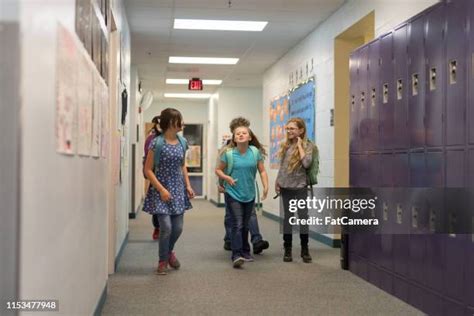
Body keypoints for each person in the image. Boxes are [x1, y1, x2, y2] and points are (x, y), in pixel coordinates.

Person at [143, 108, 195, 275]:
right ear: (171, 123)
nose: (182, 123)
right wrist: (161, 189)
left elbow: (182, 165)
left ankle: (169, 251)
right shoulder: (156, 143)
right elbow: (148, 170)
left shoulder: (182, 142)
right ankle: (162, 261)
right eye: (179, 120)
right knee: (166, 227)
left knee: (178, 228)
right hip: (161, 190)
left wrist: (188, 185)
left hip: (178, 189)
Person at [216, 125, 269, 268]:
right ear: (233, 138)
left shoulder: (255, 152)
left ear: (250, 137)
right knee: (237, 224)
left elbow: (262, 171)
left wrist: (266, 186)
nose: (240, 135)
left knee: (245, 225)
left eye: (244, 133)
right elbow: (218, 170)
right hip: (233, 193)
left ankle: (246, 251)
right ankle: (236, 254)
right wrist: (226, 178)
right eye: (237, 133)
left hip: (249, 194)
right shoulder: (228, 154)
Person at [275, 117, 316, 263]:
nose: (289, 131)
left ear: (301, 130)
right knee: (288, 218)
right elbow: (282, 166)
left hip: (300, 187)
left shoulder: (308, 146)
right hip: (286, 187)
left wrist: (299, 146)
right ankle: (288, 249)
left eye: (292, 128)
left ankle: (305, 249)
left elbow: (306, 164)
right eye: (288, 129)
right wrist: (278, 181)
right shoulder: (285, 145)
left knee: (303, 218)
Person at [144, 115, 161, 240]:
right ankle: (157, 227)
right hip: (156, 175)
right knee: (157, 203)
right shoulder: (151, 139)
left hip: (171, 177)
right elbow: (148, 157)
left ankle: (166, 227)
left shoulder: (172, 138)